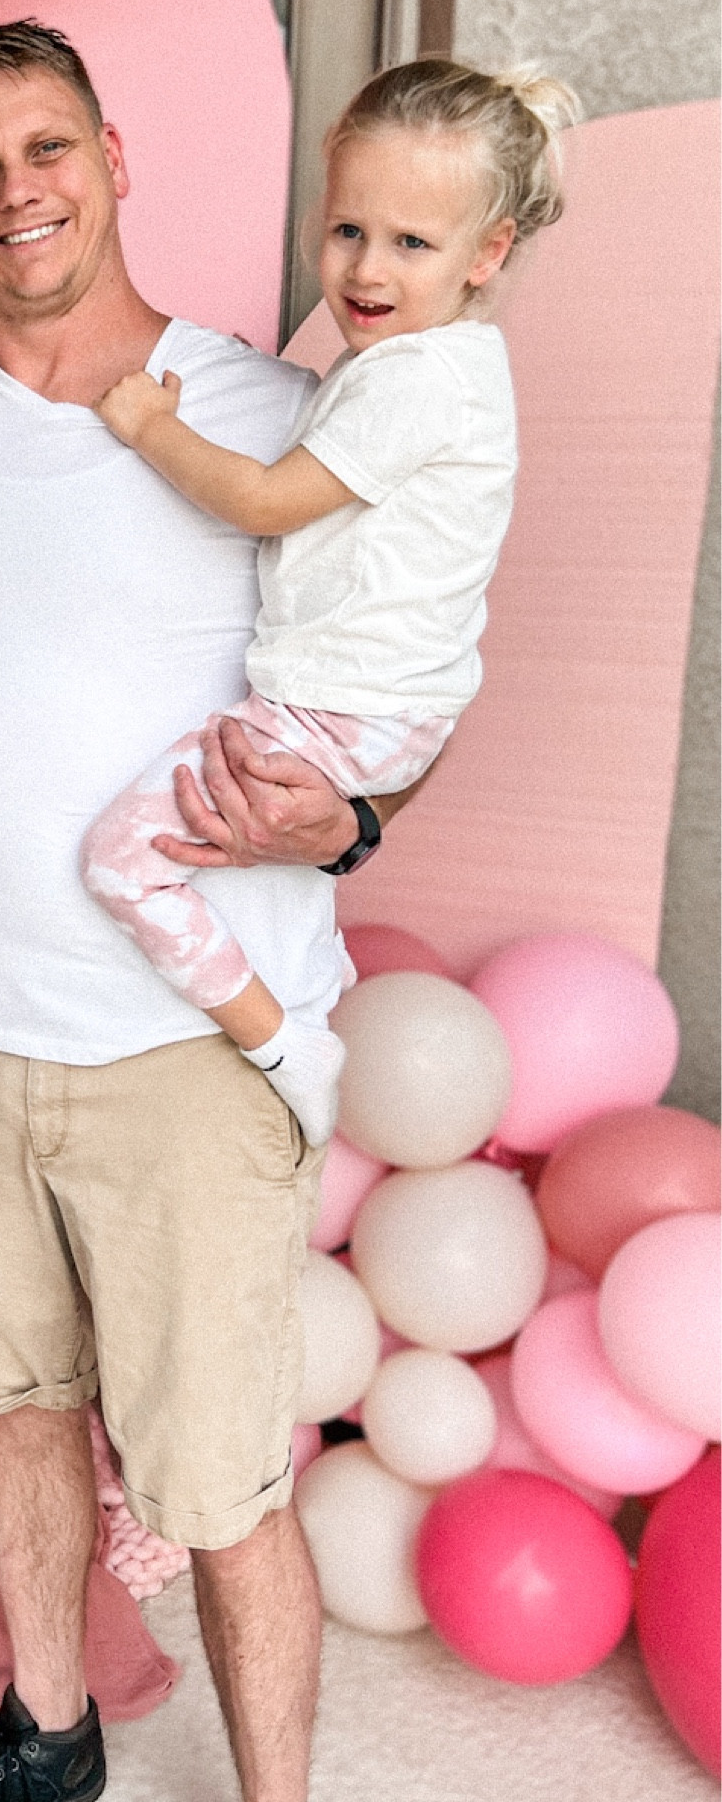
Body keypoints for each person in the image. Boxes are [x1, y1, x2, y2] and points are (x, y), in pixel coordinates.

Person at [0, 20, 418, 1802]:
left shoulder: (267, 414)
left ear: (113, 156)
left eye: (44, 148)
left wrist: (344, 823)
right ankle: (50, 1737)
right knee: (13, 1409)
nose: (13, 189)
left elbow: (387, 693)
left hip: (183, 1051)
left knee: (217, 1488)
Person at [81, 58, 580, 1149]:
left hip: (342, 715)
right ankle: (294, 995)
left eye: (412, 243)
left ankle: (281, 1040)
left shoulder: (414, 381)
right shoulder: (437, 365)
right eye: (349, 228)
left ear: (486, 255)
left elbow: (263, 501)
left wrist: (148, 425)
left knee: (117, 861)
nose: (365, 267)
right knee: (205, 841)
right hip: (392, 709)